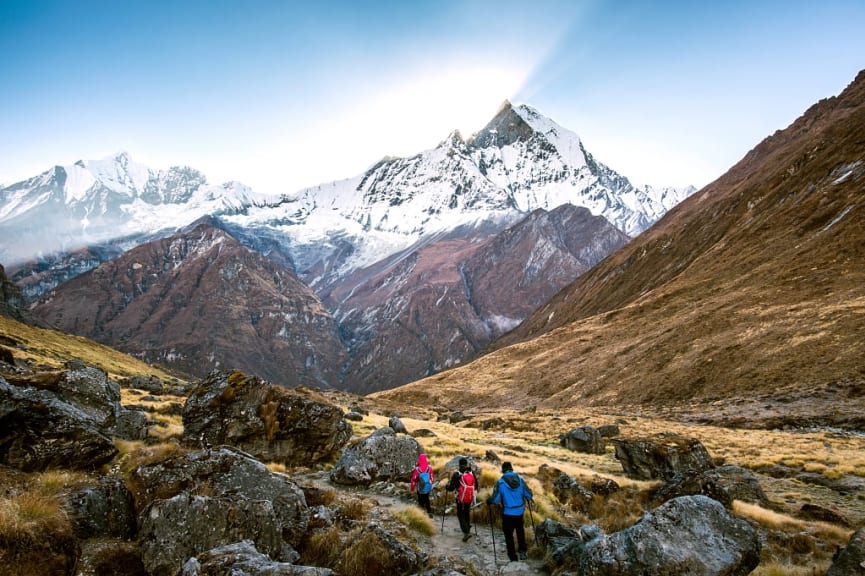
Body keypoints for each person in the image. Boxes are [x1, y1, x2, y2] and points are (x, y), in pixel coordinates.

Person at [486, 461, 533, 562]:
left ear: (503, 470)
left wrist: (489, 501)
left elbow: (496, 500)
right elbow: (529, 495)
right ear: (511, 469)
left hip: (507, 513)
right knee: (520, 532)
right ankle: (523, 552)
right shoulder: (520, 480)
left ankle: (513, 557)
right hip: (519, 512)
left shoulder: (501, 482)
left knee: (508, 535)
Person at [446, 457, 478, 542]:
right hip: (470, 497)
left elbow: (451, 488)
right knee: (466, 512)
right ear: (466, 464)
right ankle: (467, 526)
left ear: (459, 465)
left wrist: (447, 487)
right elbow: (476, 485)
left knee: (460, 514)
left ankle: (466, 532)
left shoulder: (457, 474)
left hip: (460, 497)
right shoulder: (471, 473)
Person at [409, 453, 435, 517]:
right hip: (427, 487)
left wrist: (412, 487)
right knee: (427, 499)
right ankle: (429, 512)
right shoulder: (430, 468)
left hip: (420, 488)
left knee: (420, 500)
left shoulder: (417, 469)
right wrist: (430, 485)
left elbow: (414, 479)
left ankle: (421, 514)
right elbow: (432, 478)